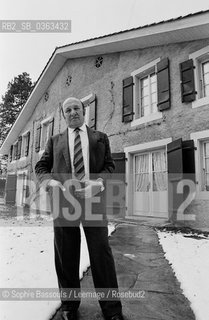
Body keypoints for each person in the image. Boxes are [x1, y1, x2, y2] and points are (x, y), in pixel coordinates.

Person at [35, 97, 124, 320]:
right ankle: (69, 307)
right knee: (66, 255)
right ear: (64, 115)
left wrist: (100, 183)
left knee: (101, 254)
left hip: (94, 203)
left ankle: (112, 310)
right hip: (65, 204)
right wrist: (50, 182)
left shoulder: (100, 138)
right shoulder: (55, 141)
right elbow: (41, 166)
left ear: (84, 111)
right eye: (68, 110)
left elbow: (110, 166)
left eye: (76, 108)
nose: (73, 112)